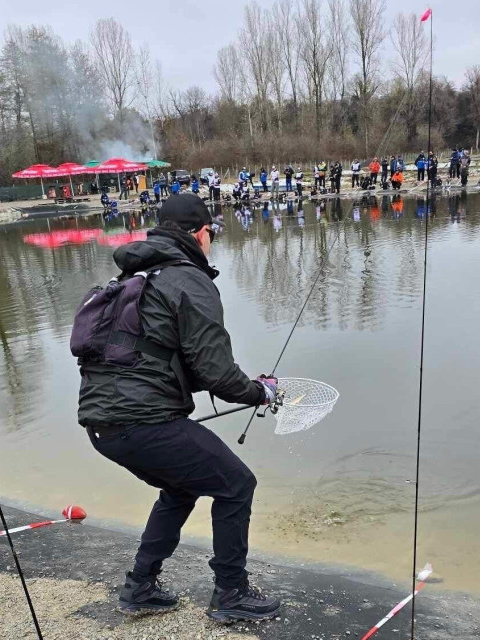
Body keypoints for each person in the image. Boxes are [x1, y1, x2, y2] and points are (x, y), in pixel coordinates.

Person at [75, 194, 281, 623]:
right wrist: (260, 392)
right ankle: (231, 593)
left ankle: (140, 586)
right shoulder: (189, 280)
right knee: (237, 484)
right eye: (211, 232)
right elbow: (218, 374)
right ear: (199, 233)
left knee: (182, 487)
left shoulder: (135, 275)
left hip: (102, 426)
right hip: (143, 421)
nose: (211, 240)